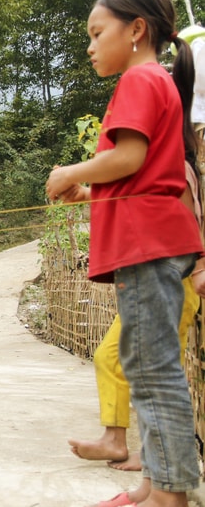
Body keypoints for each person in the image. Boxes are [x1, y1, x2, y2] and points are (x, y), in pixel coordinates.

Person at [46, 0, 203, 507]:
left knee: (153, 371)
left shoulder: (140, 78)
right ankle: (154, 486)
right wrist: (90, 191)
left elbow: (129, 156)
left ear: (136, 30)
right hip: (156, 238)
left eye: (97, 33)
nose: (90, 46)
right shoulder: (157, 81)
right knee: (145, 366)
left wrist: (70, 172)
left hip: (147, 244)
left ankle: (170, 505)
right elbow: (146, 174)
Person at [66, 160, 204, 472]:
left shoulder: (174, 168)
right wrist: (86, 194)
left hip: (172, 282)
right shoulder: (155, 168)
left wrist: (199, 268)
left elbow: (189, 224)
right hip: (149, 282)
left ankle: (154, 455)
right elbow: (131, 203)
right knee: (111, 357)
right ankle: (116, 439)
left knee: (157, 373)